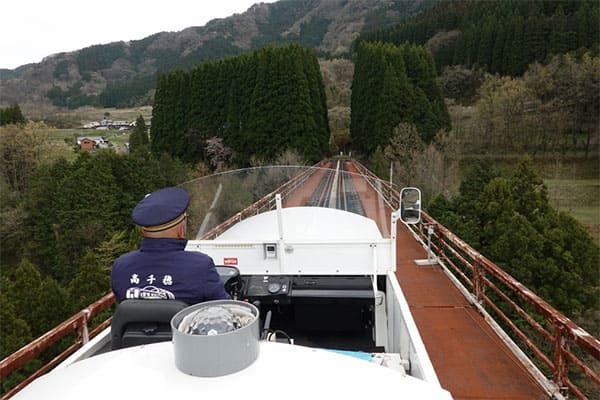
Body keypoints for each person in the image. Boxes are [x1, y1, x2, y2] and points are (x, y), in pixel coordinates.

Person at [111, 187, 230, 304]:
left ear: (143, 230)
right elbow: (223, 309)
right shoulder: (200, 266)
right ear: (181, 229)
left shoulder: (121, 267)